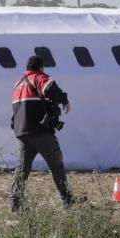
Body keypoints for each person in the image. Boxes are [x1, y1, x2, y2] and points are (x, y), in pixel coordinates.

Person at [9, 55, 74, 211]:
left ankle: (15, 203)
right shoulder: (38, 77)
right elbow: (50, 89)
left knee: (22, 169)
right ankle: (68, 201)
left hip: (22, 132)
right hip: (40, 131)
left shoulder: (17, 84)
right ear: (41, 67)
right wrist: (64, 99)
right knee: (56, 164)